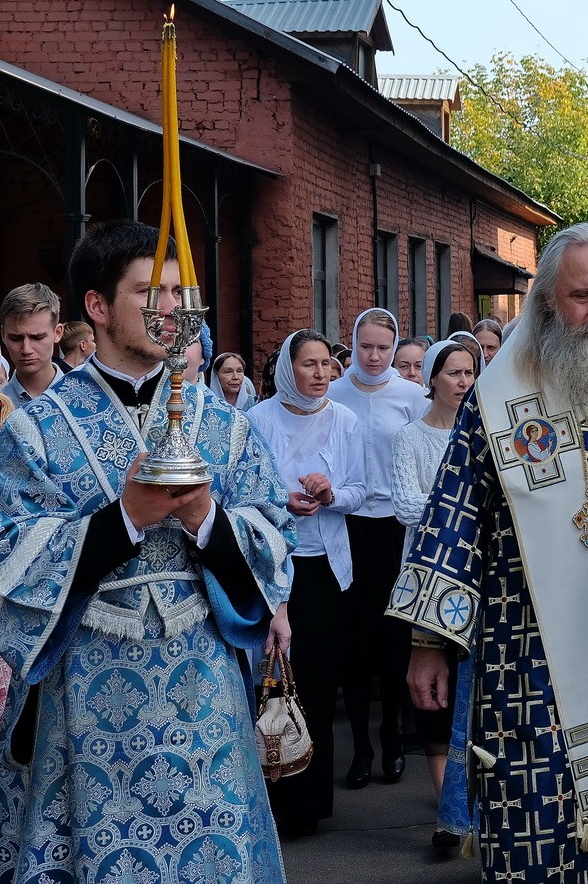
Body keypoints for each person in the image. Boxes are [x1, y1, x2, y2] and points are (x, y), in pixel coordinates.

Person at [0, 219, 296, 883]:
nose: (170, 309)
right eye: (148, 293)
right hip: (88, 689)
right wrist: (125, 518)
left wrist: (205, 517)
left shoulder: (223, 424)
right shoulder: (35, 429)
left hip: (204, 692)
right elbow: (10, 549)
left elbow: (277, 537)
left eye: (178, 292)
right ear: (97, 306)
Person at [388, 222, 588, 881]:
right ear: (548, 301)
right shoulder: (499, 398)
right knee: (536, 815)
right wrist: (429, 643)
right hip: (529, 654)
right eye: (582, 296)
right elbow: (455, 513)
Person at [248, 329, 366, 836]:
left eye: (325, 364)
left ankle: (309, 804)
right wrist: (284, 501)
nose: (321, 374)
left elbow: (360, 491)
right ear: (286, 369)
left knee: (315, 682)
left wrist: (330, 493)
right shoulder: (258, 420)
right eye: (309, 364)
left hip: (324, 569)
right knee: (270, 679)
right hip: (273, 565)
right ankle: (270, 799)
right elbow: (245, 493)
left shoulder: (345, 421)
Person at [327, 308, 429, 789]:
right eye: (365, 346)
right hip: (346, 524)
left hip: (394, 526)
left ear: (394, 347)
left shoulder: (411, 396)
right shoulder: (333, 392)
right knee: (353, 637)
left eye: (383, 348)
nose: (373, 356)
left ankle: (391, 735)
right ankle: (361, 748)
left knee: (393, 635)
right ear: (353, 343)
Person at [391, 340, 477, 854]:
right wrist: (462, 506)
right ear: (432, 379)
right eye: (453, 373)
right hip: (426, 575)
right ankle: (448, 810)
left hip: (474, 573)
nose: (463, 382)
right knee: (432, 689)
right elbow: (405, 506)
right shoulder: (410, 437)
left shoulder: (482, 432)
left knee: (468, 682)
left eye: (470, 372)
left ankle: (468, 803)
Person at [0, 282, 65, 407]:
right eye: (16, 338)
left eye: (37, 338)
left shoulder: (85, 398)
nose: (26, 349)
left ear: (57, 333)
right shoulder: (1, 405)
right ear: (3, 334)